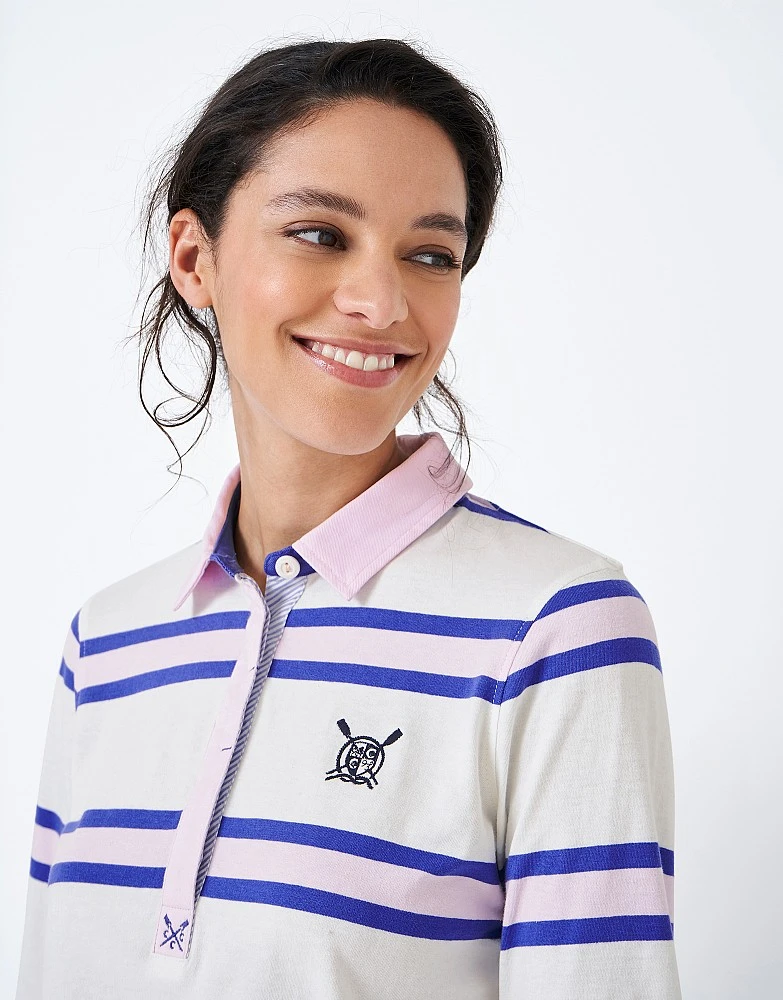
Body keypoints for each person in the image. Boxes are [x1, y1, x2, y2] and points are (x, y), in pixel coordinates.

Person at [15, 36, 681, 999]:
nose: (380, 301)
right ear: (195, 258)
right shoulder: (108, 643)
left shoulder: (556, 625)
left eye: (430, 254)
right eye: (320, 234)